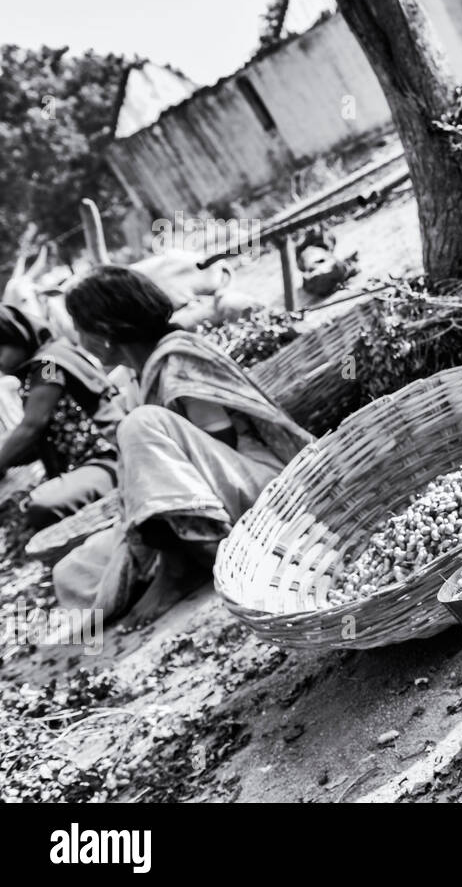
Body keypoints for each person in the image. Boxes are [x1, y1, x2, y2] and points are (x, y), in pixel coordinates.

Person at [53, 266, 312, 628]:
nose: (79, 338)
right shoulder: (137, 375)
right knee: (72, 573)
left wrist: (157, 475)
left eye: (81, 327)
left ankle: (183, 566)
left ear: (106, 332)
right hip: (194, 503)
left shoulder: (178, 358)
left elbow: (222, 441)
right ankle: (180, 551)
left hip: (253, 485)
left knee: (139, 424)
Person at [0, 303, 119, 529]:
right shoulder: (48, 360)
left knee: (41, 506)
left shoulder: (48, 364)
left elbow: (32, 426)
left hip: (108, 458)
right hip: (85, 463)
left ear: (18, 336)